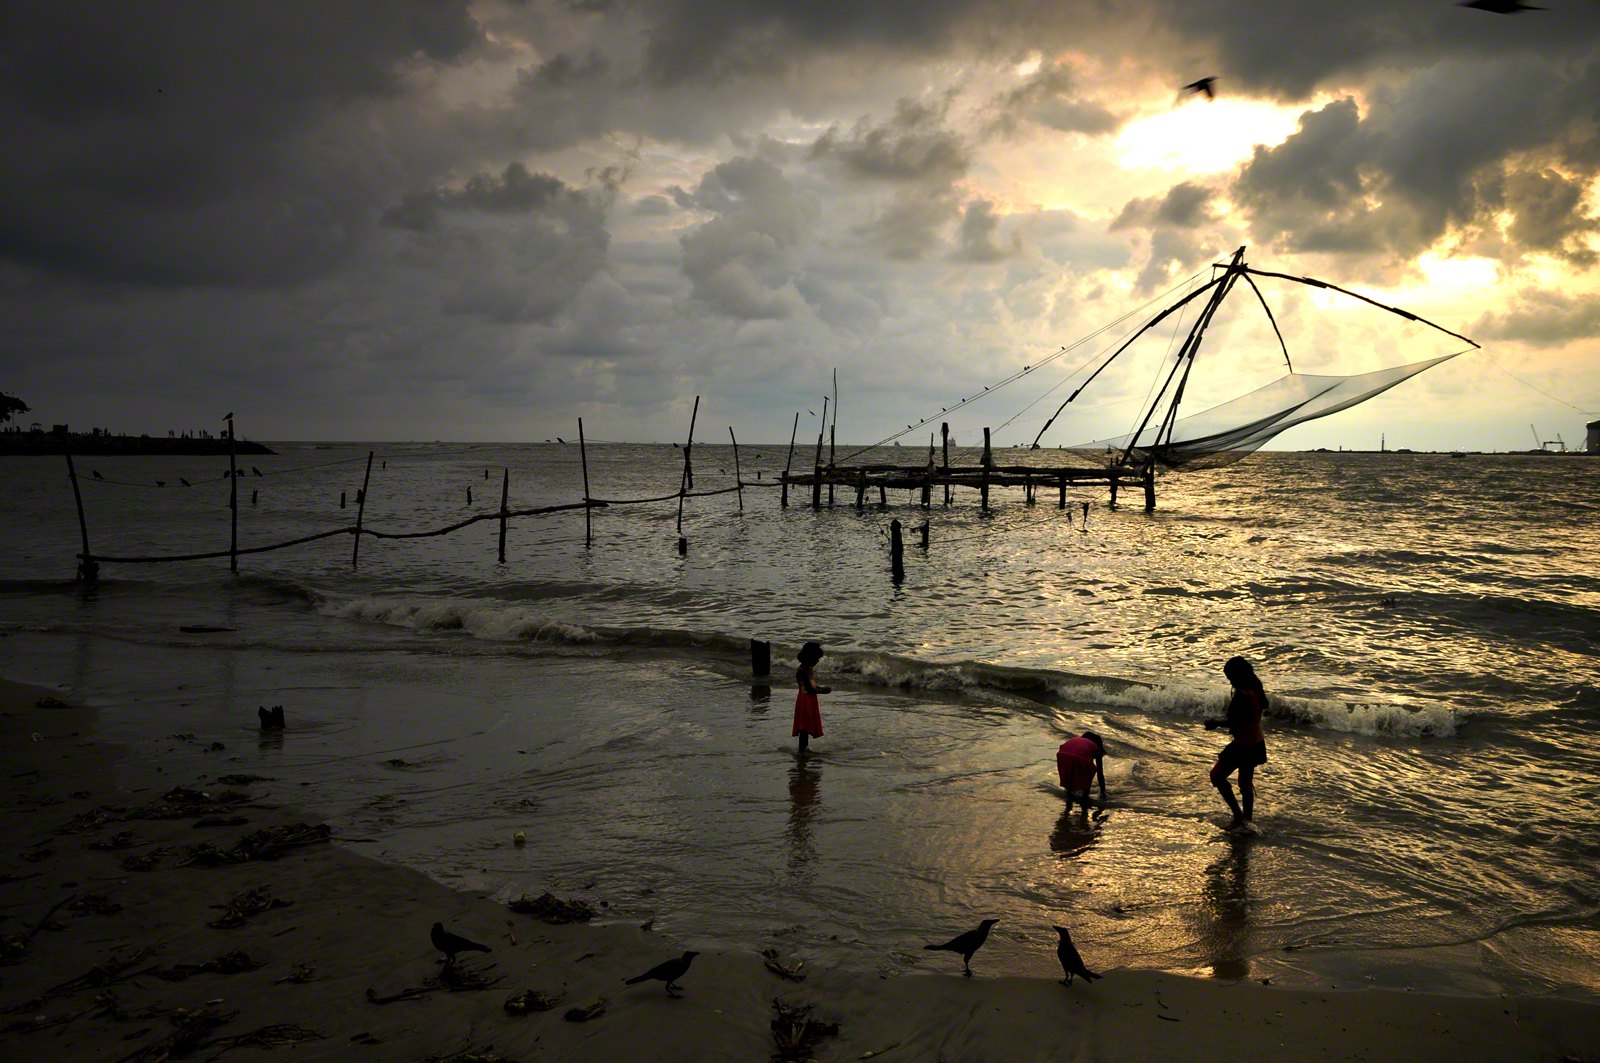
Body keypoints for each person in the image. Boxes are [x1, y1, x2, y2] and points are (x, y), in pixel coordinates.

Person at [1203, 657, 1268, 832]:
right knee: (1245, 782)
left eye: (1230, 677)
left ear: (1237, 676)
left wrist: (1214, 722)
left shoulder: (1242, 695)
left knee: (1216, 775)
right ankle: (1247, 821)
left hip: (1243, 744)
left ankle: (1238, 817)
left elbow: (1234, 722)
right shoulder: (1256, 691)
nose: (1230, 681)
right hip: (1256, 742)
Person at [793, 642, 830, 754]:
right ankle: (802, 749)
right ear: (810, 656)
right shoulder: (802, 671)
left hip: (810, 700)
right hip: (805, 700)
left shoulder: (808, 668)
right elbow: (810, 689)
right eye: (816, 658)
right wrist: (824, 691)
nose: (817, 661)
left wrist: (822, 688)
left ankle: (804, 748)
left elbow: (813, 685)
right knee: (803, 726)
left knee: (807, 725)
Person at [1056, 731, 1105, 811]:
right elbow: (1100, 773)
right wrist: (1103, 792)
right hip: (1077, 756)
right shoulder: (1096, 748)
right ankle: (1084, 799)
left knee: (1069, 773)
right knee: (1089, 772)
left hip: (1062, 754)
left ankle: (1069, 797)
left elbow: (1063, 748)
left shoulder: (1076, 740)